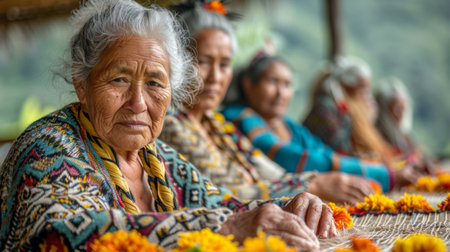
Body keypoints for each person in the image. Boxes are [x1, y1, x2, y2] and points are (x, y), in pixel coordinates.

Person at [0, 1, 335, 250]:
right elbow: (62, 232)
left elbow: (222, 204)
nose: (139, 103)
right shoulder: (49, 146)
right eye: (119, 79)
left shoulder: (156, 158)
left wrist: (288, 204)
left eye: (155, 83)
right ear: (81, 85)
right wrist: (226, 226)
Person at [222, 54, 419, 193]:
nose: (281, 93)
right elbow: (298, 159)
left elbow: (324, 153)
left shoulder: (289, 125)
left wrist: (381, 168)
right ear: (248, 84)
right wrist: (383, 174)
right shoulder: (239, 118)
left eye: (287, 85)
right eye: (273, 82)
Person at [301, 56, 421, 187]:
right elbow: (340, 151)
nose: (366, 95)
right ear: (346, 87)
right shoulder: (325, 110)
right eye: (362, 89)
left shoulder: (338, 109)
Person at [375, 77, 434, 174]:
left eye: (403, 107)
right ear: (383, 110)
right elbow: (388, 163)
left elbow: (423, 155)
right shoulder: (378, 135)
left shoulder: (405, 135)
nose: (402, 112)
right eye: (397, 107)